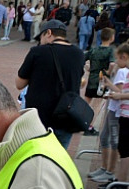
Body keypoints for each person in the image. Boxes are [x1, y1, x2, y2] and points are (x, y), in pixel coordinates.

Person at [16, 19, 86, 148]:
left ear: (48, 33)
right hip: (66, 117)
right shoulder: (79, 54)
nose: (40, 42)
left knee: (35, 157)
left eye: (41, 37)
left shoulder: (38, 52)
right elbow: (80, 80)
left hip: (39, 119)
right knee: (57, 161)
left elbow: (19, 83)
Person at [101, 37, 129, 189]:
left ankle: (122, 181)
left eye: (118, 58)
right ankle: (119, 178)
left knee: (125, 148)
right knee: (124, 148)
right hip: (128, 113)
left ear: (124, 57)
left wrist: (120, 97)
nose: (116, 61)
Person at [90, 47, 126, 184]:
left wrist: (108, 84)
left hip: (117, 110)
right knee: (105, 137)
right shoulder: (120, 70)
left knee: (112, 140)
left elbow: (120, 91)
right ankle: (105, 168)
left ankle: (110, 170)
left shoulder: (124, 71)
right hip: (113, 107)